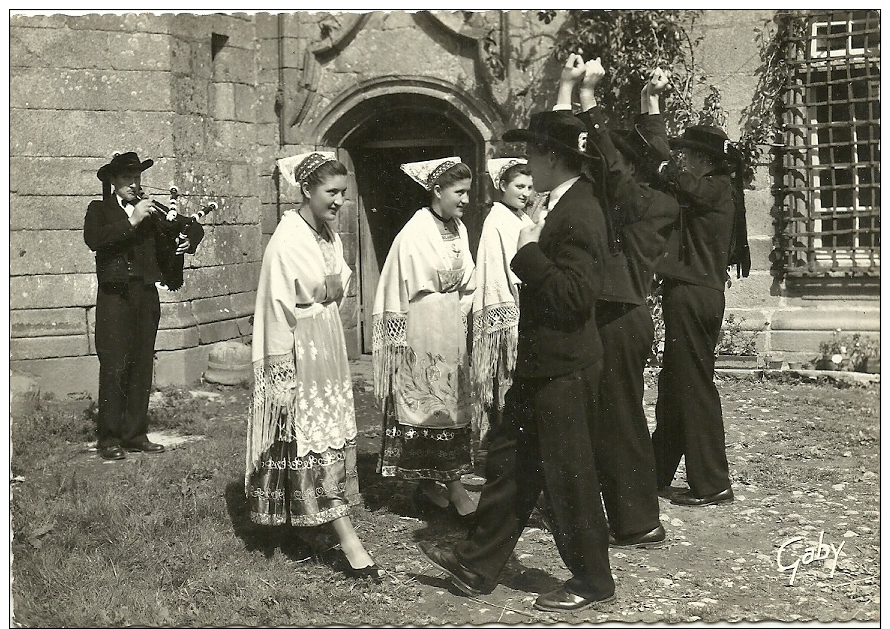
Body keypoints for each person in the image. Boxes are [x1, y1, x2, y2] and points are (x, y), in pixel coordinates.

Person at [418, 111, 616, 613]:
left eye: (532, 154)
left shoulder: (580, 212)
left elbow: (575, 296)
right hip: (544, 364)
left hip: (564, 366)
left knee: (567, 474)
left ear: (552, 157)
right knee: (511, 463)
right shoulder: (563, 203)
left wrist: (527, 253)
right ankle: (477, 562)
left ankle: (593, 580)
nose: (526, 164)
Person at [556, 56, 680, 545]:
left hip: (619, 318)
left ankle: (638, 521)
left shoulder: (644, 202)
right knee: (617, 415)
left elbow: (610, 160)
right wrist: (651, 102)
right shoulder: (654, 197)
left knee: (620, 417)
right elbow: (649, 149)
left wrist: (585, 97)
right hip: (622, 314)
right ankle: (631, 515)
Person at [245, 152, 383, 581]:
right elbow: (281, 304)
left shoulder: (329, 235)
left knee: (314, 431)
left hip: (325, 340)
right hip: (299, 344)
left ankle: (304, 520)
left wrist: (325, 291)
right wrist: (282, 369)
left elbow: (338, 286)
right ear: (306, 190)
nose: (340, 201)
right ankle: (347, 538)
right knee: (306, 433)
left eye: (344, 193)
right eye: (331, 192)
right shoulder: (288, 239)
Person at [371, 157, 478, 520]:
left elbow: (467, 282)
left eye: (468, 192)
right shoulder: (415, 232)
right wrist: (398, 343)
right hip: (423, 325)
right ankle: (450, 487)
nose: (465, 199)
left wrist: (461, 316)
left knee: (452, 404)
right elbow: (396, 288)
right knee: (427, 401)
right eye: (458, 192)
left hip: (450, 325)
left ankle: (432, 485)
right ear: (437, 191)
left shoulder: (459, 229)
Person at [651, 122, 749, 507]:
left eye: (689, 155)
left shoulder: (714, 187)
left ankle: (712, 483)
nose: (685, 161)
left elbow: (683, 185)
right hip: (694, 294)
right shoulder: (715, 189)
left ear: (706, 159)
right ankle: (655, 472)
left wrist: (661, 165)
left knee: (693, 387)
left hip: (693, 296)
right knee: (676, 386)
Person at [84, 151, 204, 461]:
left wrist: (186, 241)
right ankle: (108, 439)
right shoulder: (99, 209)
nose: (133, 183)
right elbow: (95, 239)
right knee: (114, 366)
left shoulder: (152, 212)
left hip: (145, 296)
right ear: (113, 181)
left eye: (137, 177)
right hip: (114, 297)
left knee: (141, 365)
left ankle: (134, 434)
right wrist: (131, 219)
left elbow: (191, 226)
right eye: (126, 178)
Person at [470, 158, 533, 449]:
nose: (525, 193)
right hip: (509, 308)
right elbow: (501, 269)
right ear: (502, 186)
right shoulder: (497, 220)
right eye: (519, 186)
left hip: (526, 305)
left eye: (530, 187)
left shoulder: (523, 218)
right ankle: (500, 448)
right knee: (504, 380)